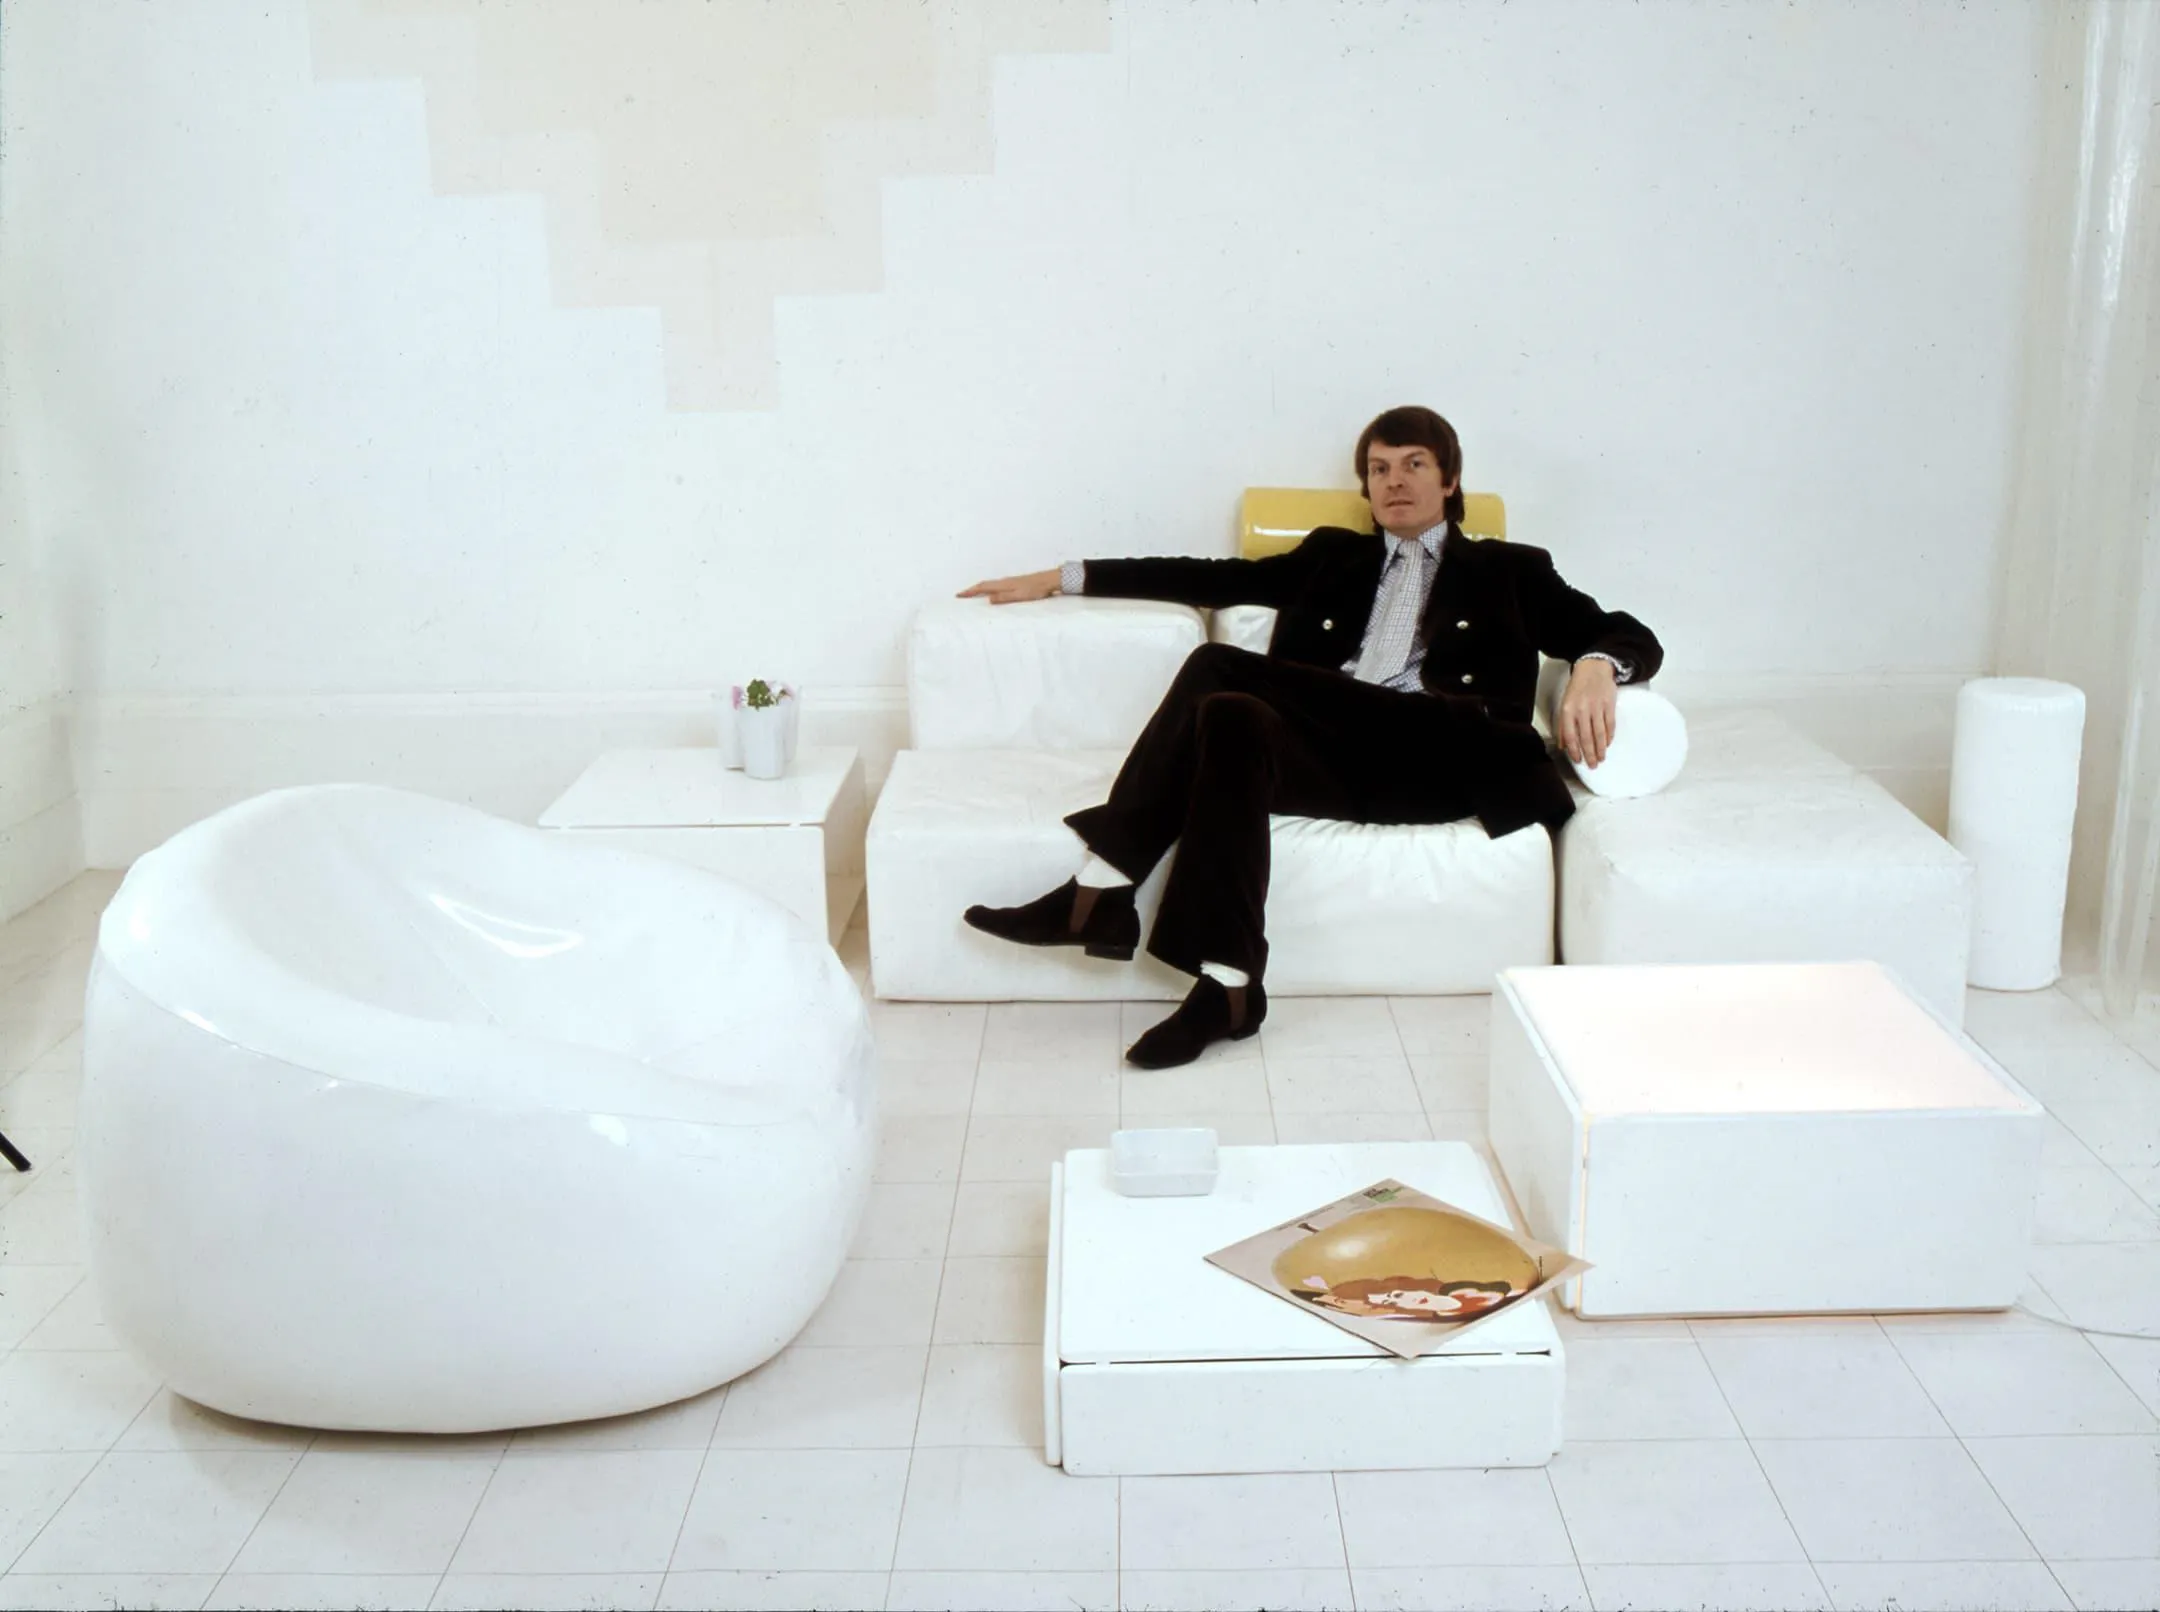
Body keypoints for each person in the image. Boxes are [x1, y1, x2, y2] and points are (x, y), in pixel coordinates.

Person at [957, 406, 1663, 1069]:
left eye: (1415, 465)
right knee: (1229, 715)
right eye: (1380, 469)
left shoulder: (1513, 570)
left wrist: (1597, 663)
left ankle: (1098, 892)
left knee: (1215, 667)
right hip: (1340, 757)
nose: (1396, 481)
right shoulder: (1332, 558)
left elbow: (1629, 634)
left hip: (1447, 757)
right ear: (1366, 487)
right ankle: (1228, 989)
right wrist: (1063, 577)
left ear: (1450, 481)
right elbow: (1210, 577)